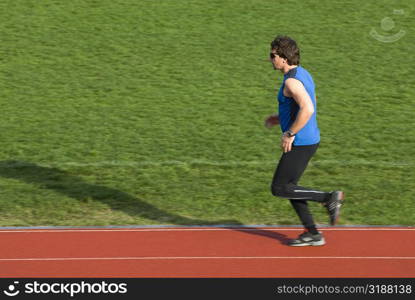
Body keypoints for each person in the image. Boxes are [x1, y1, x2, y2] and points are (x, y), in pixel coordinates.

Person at [265, 35, 344, 246]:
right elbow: (311, 100)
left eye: (272, 55)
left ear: (283, 57)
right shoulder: (302, 73)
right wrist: (279, 118)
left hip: (300, 142)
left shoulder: (291, 81)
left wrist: (289, 133)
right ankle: (313, 234)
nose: (269, 59)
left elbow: (308, 108)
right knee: (291, 187)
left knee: (280, 188)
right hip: (309, 138)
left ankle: (328, 197)